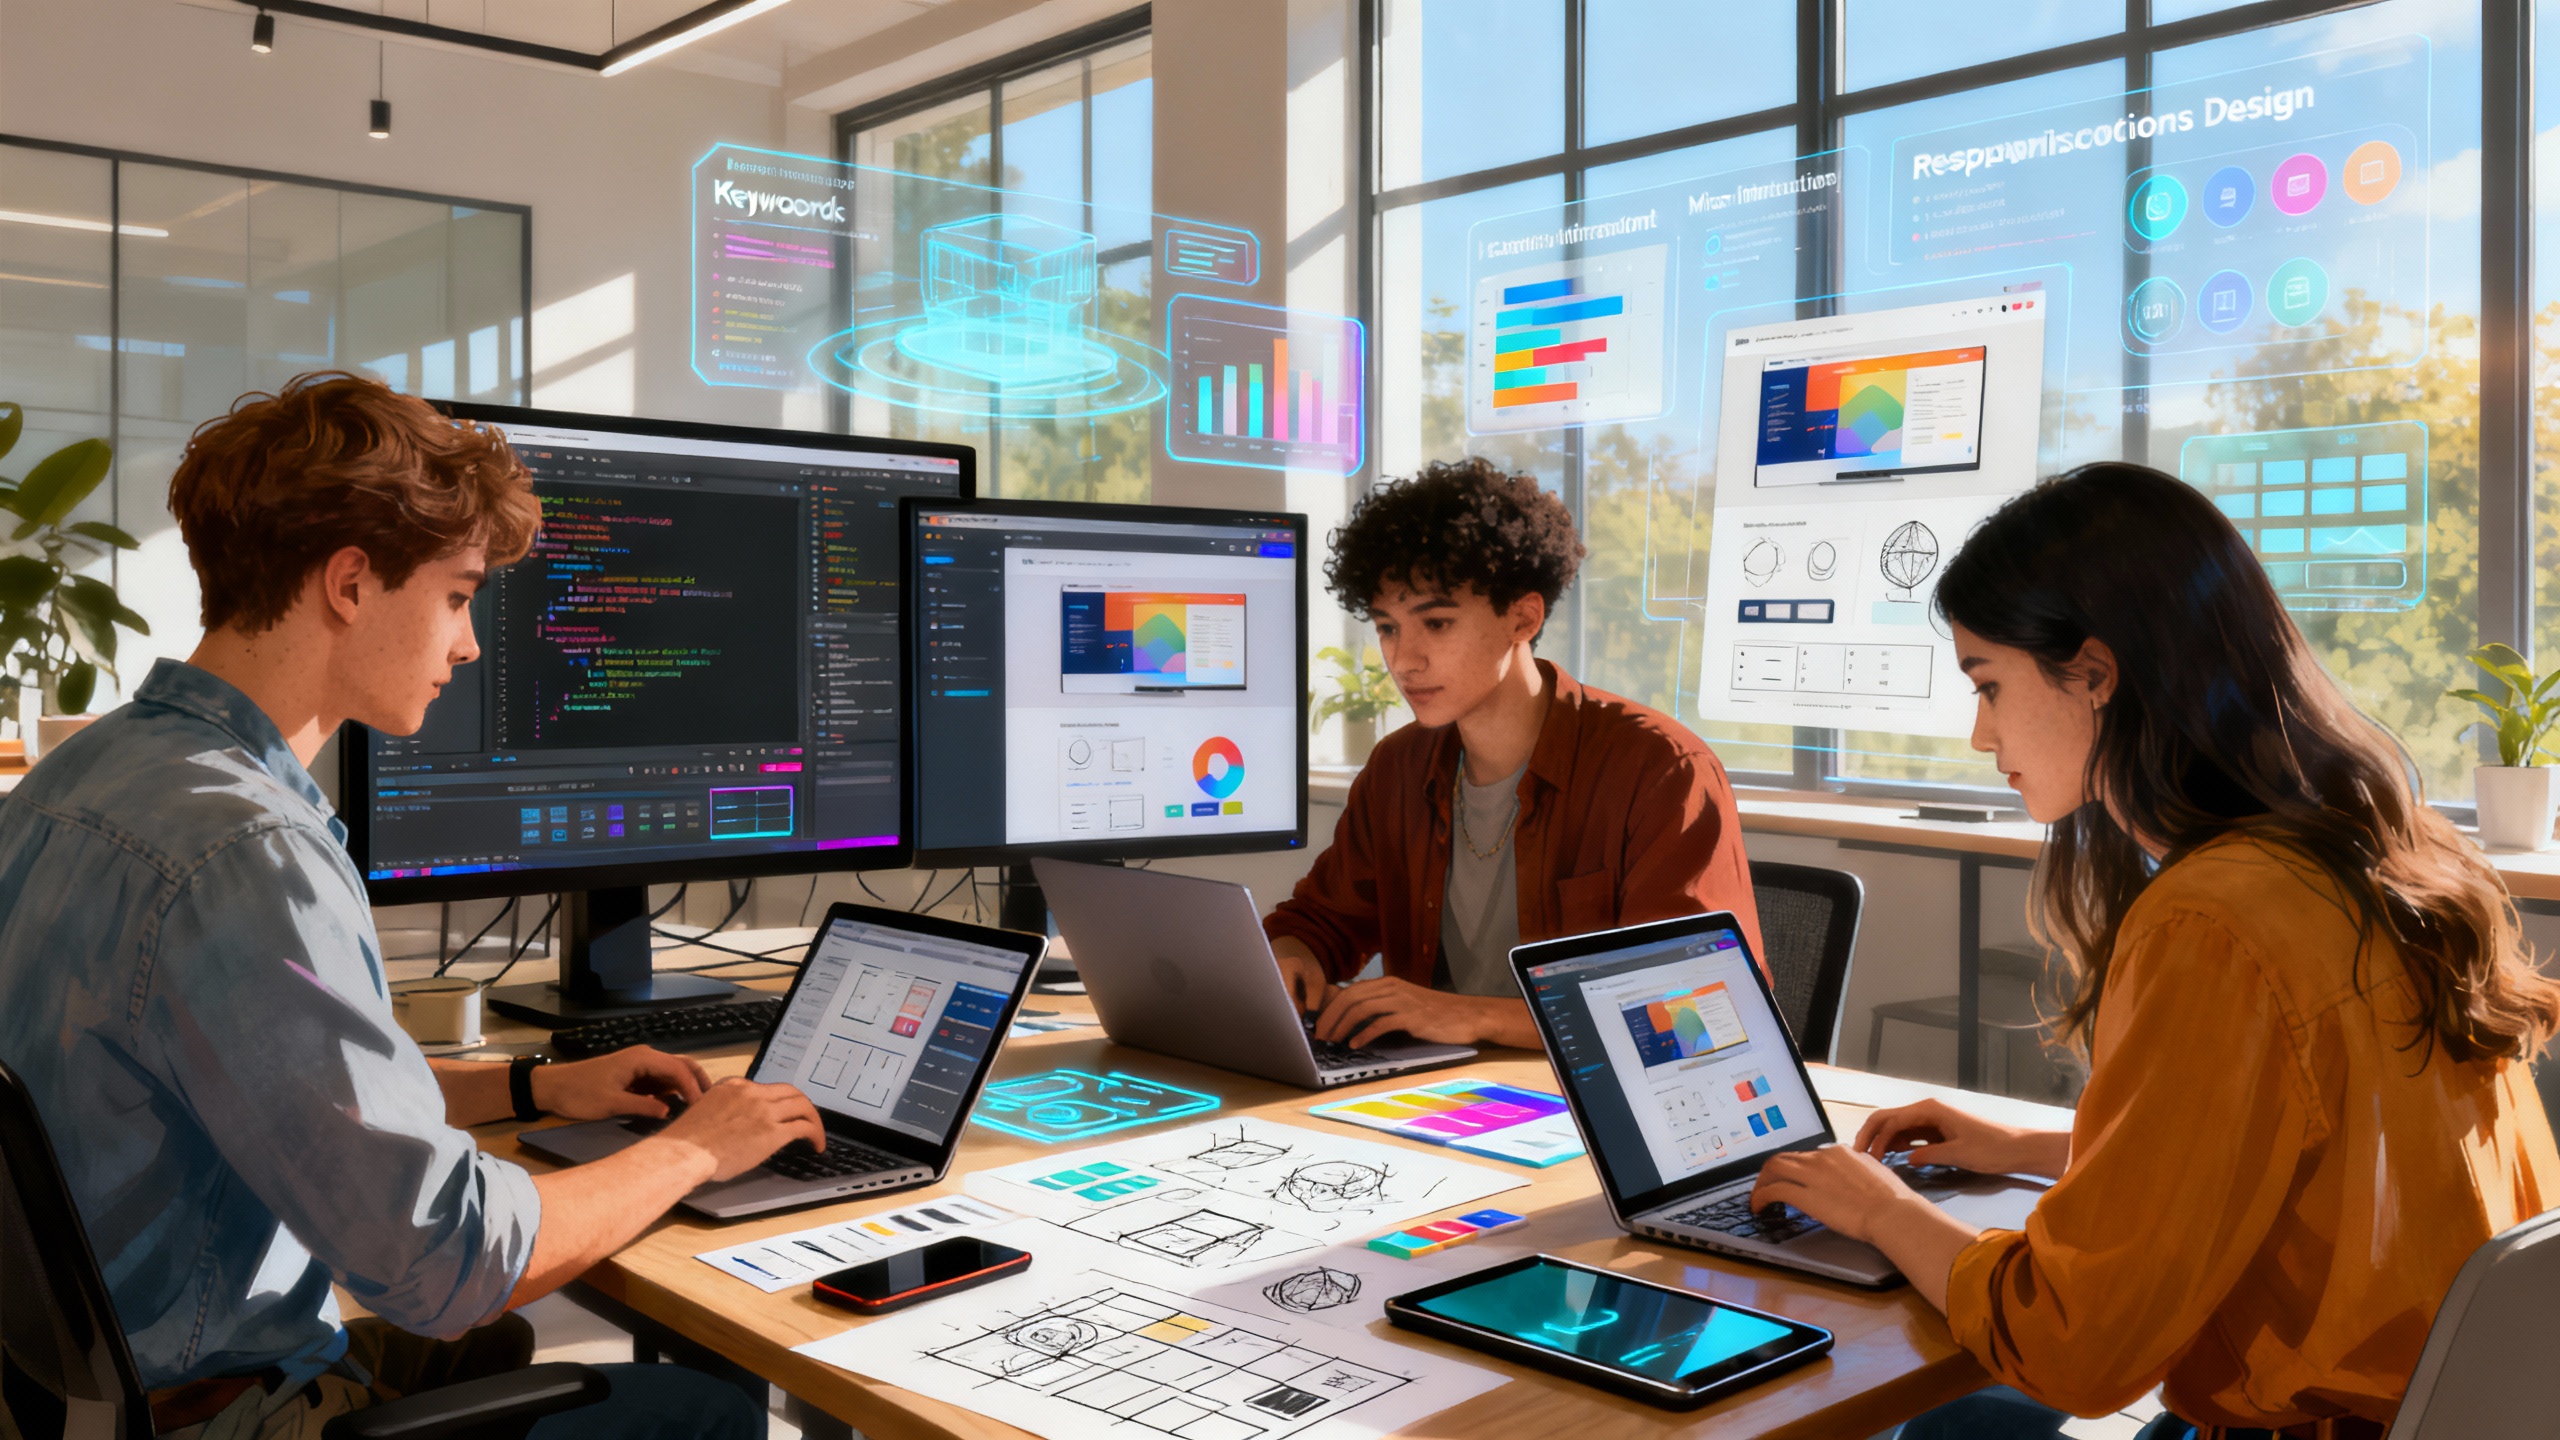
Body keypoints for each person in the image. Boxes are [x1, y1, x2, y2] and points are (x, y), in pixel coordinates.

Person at [0, 374, 827, 1440]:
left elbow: (277, 1083)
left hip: (63, 1397)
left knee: (499, 1349)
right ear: (350, 583)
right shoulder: (250, 855)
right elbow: (447, 1267)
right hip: (216, 1413)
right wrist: (698, 1149)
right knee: (701, 1412)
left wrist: (531, 1084)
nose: (469, 642)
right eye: (457, 595)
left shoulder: (79, 778)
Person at [1745, 464, 2560, 1439]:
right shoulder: (2383, 852)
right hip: (2439, 1408)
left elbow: (2072, 1346)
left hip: (2312, 1427)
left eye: (1988, 685)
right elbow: (2311, 1152)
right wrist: (2033, 1149)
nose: (1978, 735)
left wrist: (1880, 1209)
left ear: (2095, 673)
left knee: (1955, 1420)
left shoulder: (2214, 920)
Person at [1265, 456, 1762, 1052]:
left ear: (1523, 618)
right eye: (1388, 627)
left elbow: (1697, 1009)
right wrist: (1293, 959)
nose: (1403, 660)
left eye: (1437, 623)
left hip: (1591, 1094)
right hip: (1434, 1083)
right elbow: (1316, 924)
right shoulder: (1398, 768)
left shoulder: (1661, 771)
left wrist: (1473, 1017)